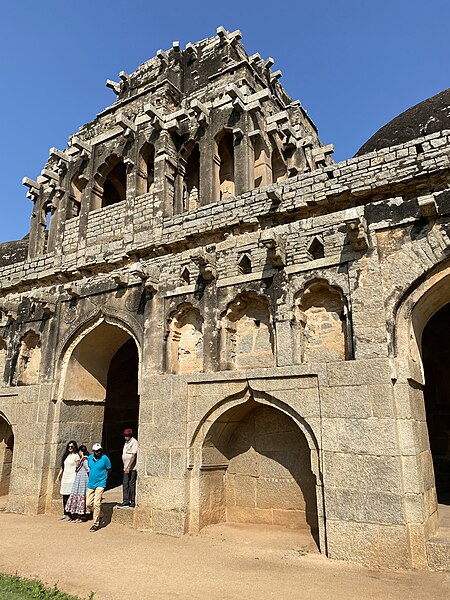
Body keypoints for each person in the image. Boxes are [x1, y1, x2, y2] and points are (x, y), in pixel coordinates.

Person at [86, 443, 111, 532]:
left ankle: (95, 523)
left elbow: (109, 469)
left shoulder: (105, 458)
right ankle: (100, 514)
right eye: (97, 451)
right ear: (93, 452)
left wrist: (104, 478)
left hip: (101, 483)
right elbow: (90, 468)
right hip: (91, 484)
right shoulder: (90, 458)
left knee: (97, 503)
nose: (99, 452)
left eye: (100, 450)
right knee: (88, 504)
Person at [65, 445, 90, 523]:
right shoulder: (83, 458)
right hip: (80, 479)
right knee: (78, 496)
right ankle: (79, 515)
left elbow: (87, 468)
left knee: (81, 495)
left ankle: (82, 516)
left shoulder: (85, 458)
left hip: (83, 480)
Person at [55, 440, 79, 521]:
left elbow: (78, 467)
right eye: (69, 446)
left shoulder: (76, 456)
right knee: (64, 497)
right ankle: (65, 514)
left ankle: (70, 515)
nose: (70, 448)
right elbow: (62, 467)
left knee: (70, 497)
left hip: (72, 478)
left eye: (71, 447)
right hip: (65, 478)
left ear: (74, 447)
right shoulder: (66, 456)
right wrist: (58, 477)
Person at [117, 428, 138, 509]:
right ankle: (126, 500)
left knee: (131, 484)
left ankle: (132, 501)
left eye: (127, 435)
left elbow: (133, 455)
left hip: (131, 468)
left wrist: (129, 467)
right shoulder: (126, 443)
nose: (125, 437)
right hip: (125, 467)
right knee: (125, 484)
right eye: (125, 435)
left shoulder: (134, 442)